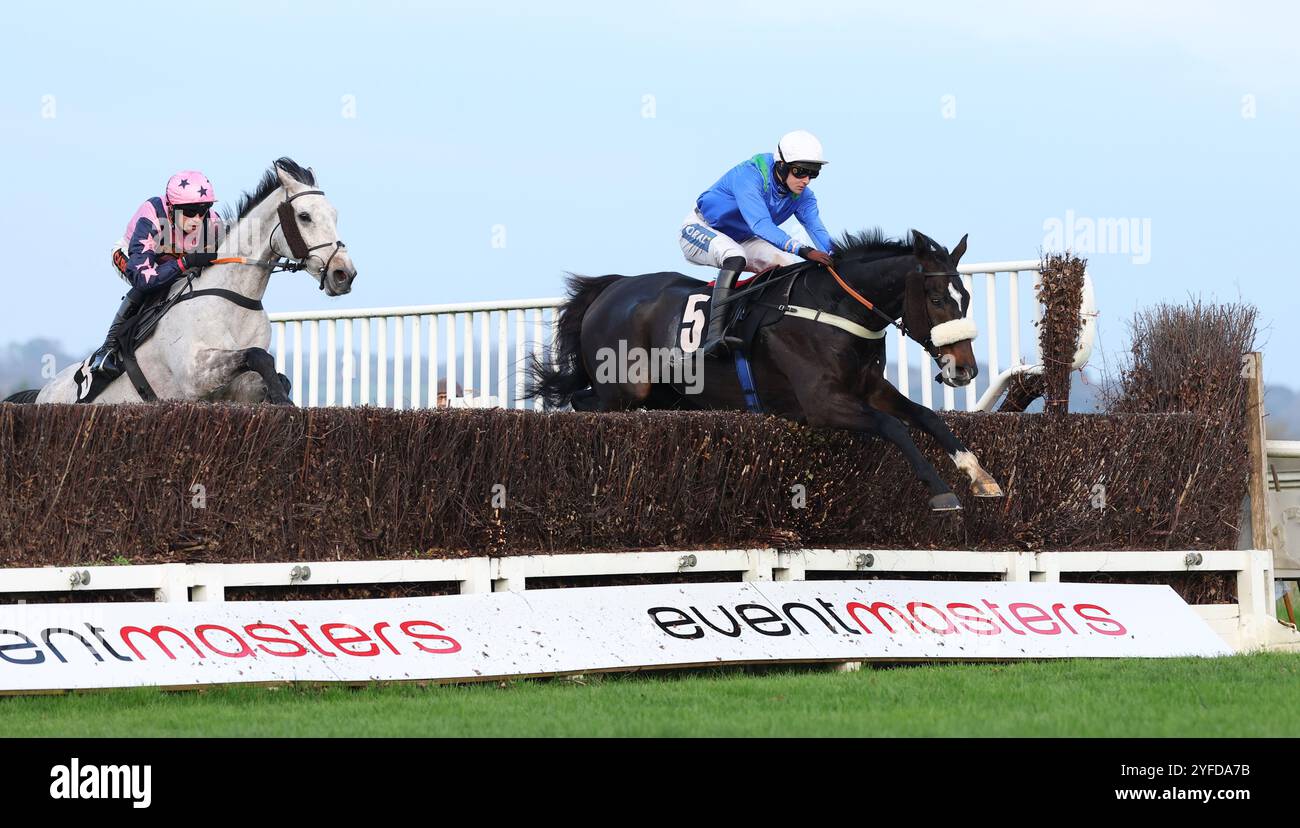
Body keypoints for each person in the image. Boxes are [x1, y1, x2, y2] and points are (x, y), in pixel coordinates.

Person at [680, 130, 835, 356]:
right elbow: (761, 225)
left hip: (743, 238)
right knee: (735, 257)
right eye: (800, 171)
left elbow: (816, 228)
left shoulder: (804, 197)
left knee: (786, 266)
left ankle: (770, 331)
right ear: (781, 165)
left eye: (813, 173)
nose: (806, 180)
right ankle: (714, 337)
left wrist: (835, 255)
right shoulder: (749, 176)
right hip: (701, 229)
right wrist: (804, 250)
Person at [87, 171, 223, 378]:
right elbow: (144, 279)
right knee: (150, 286)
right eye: (190, 210)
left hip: (173, 258)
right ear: (171, 207)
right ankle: (107, 349)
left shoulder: (213, 223)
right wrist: (186, 261)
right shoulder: (150, 214)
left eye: (204, 209)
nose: (197, 218)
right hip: (134, 259)